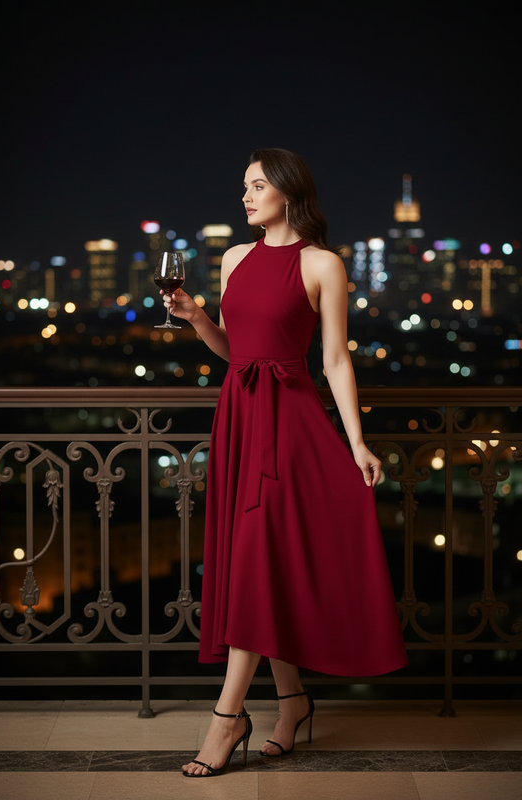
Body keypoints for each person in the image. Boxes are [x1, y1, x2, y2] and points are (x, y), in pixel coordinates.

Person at [161, 148, 408, 778]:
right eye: (242, 187)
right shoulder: (235, 258)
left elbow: (336, 361)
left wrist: (356, 441)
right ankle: (292, 703)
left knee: (253, 560)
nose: (244, 197)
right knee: (257, 560)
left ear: (289, 193)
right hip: (240, 422)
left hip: (291, 428)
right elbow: (232, 350)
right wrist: (195, 318)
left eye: (256, 186)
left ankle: (227, 718)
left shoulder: (323, 263)